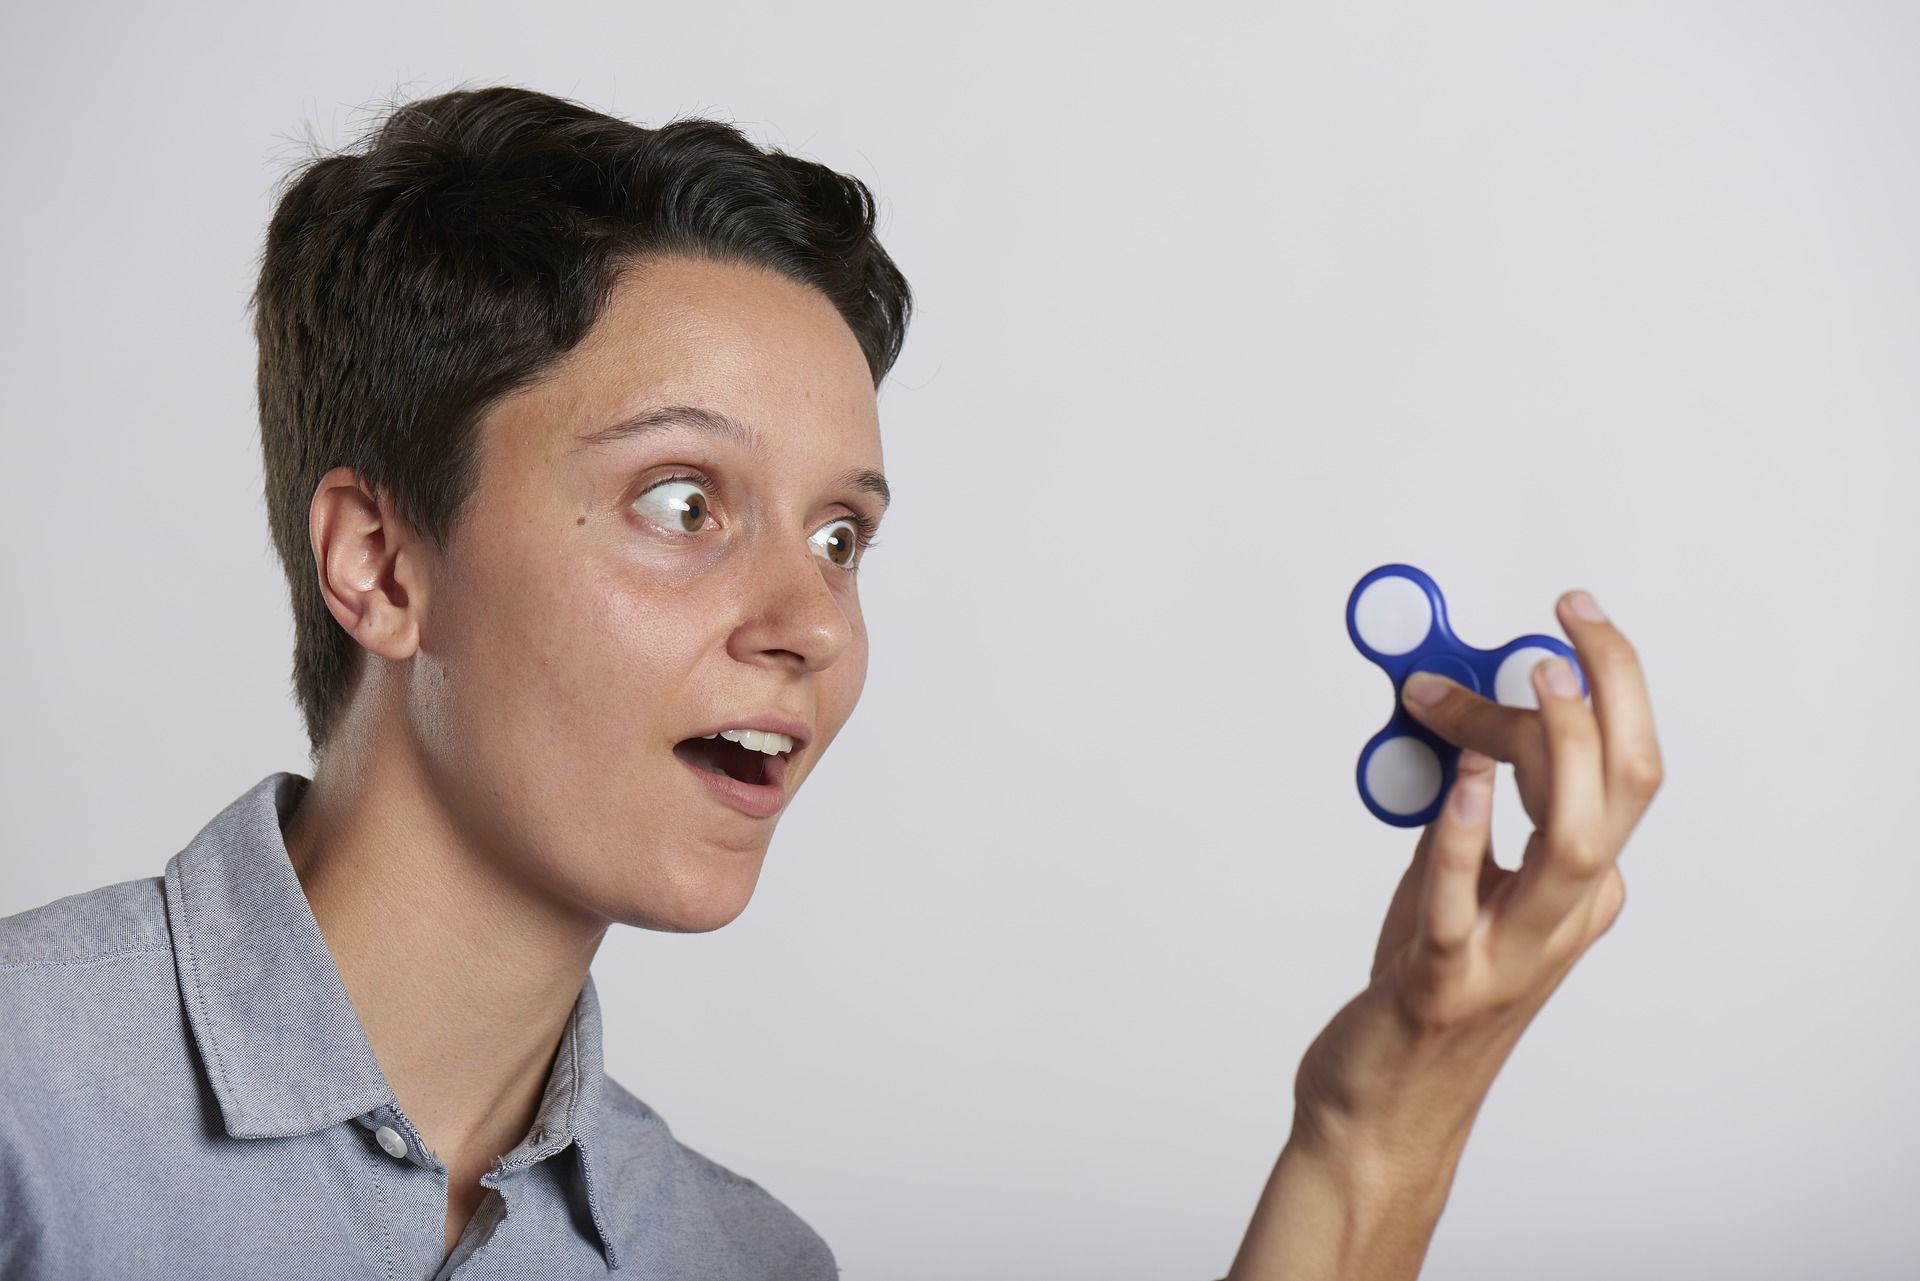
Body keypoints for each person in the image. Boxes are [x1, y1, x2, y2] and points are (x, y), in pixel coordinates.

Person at [0, 85, 1664, 1280]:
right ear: (380, 565)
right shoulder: (32, 1108)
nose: (813, 622)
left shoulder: (739, 1257)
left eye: (845, 537)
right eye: (682, 503)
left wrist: (1383, 1114)